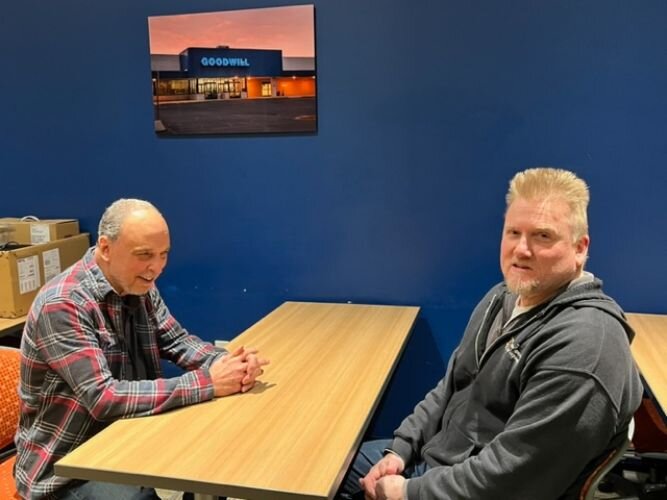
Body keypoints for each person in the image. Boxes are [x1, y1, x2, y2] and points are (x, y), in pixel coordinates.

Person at [339, 167, 643, 500]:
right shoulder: (503, 298)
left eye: (543, 236)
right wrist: (399, 450)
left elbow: (513, 478)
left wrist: (408, 492)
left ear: (580, 248)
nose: (522, 250)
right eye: (514, 232)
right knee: (330, 473)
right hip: (436, 462)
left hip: (478, 488)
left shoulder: (584, 348)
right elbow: (450, 387)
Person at [14, 199, 269, 500]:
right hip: (64, 470)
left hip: (124, 440)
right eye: (145, 255)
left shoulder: (136, 284)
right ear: (106, 249)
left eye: (163, 255)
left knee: (217, 453)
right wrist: (210, 382)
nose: (157, 268)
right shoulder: (63, 304)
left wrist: (230, 363)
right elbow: (104, 398)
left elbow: (176, 341)